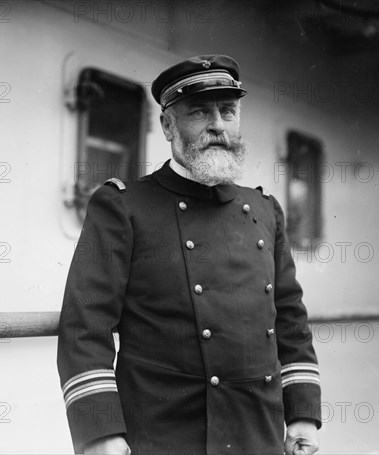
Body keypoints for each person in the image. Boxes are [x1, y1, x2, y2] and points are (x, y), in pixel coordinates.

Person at [57, 55, 321, 455]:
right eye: (199, 111)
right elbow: (85, 324)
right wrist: (100, 433)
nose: (218, 124)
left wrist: (301, 414)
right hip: (165, 435)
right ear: (167, 125)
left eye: (228, 111)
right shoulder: (124, 207)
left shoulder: (266, 211)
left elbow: (290, 320)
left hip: (258, 432)